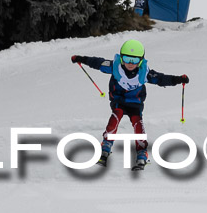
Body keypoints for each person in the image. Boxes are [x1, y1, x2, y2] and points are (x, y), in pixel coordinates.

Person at [71, 39, 189, 170]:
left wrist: (178, 79)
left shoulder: (144, 73)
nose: (130, 64)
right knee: (115, 117)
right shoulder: (114, 66)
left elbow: (161, 79)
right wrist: (81, 58)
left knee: (137, 122)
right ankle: (106, 146)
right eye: (127, 59)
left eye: (135, 60)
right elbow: (97, 62)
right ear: (121, 58)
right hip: (119, 100)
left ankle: (141, 152)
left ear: (141, 60)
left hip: (135, 103)